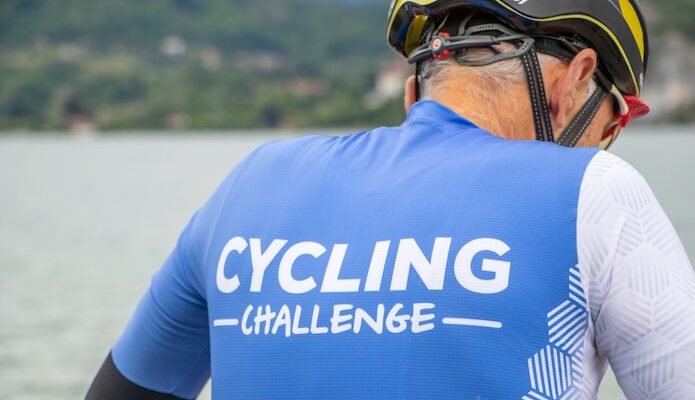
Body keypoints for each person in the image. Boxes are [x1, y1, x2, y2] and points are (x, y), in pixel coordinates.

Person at [86, 0, 695, 399]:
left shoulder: (248, 185)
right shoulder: (594, 190)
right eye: (613, 123)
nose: (602, 146)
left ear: (414, 92)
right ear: (576, 79)